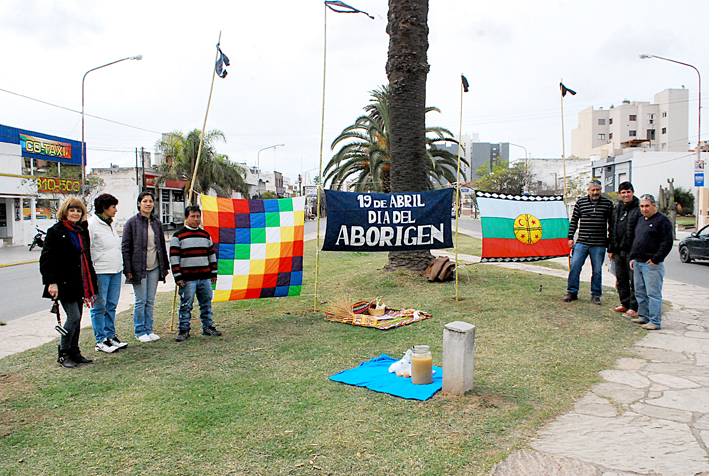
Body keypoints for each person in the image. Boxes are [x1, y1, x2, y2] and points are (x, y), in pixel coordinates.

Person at [40, 196, 98, 368]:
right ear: (64, 211)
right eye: (72, 210)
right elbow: (46, 259)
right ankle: (64, 353)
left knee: (78, 318)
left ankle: (74, 351)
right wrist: (51, 282)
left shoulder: (81, 231)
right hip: (63, 282)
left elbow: (86, 256)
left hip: (80, 282)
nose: (75, 213)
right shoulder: (56, 231)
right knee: (73, 317)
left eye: (78, 210)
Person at [122, 191, 169, 342]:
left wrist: (165, 266)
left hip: (155, 266)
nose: (148, 204)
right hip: (139, 268)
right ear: (139, 204)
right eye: (145, 201)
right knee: (141, 300)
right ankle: (140, 330)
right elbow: (126, 247)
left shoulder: (156, 223)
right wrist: (128, 269)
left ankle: (149, 329)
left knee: (150, 300)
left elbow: (161, 245)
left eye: (150, 201)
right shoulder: (131, 223)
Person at [170, 205, 222, 342]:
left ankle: (208, 326)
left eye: (198, 216)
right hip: (187, 279)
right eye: (192, 216)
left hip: (204, 276)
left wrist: (213, 273)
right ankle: (184, 330)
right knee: (186, 305)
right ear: (186, 218)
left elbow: (211, 255)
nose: (196, 219)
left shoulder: (205, 235)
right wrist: (178, 277)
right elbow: (174, 258)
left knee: (206, 303)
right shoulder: (178, 236)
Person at [88, 193, 129, 353]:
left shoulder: (110, 224)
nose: (116, 210)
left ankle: (111, 335)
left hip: (115, 269)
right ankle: (101, 339)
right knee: (99, 305)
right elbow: (89, 249)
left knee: (111, 304)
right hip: (101, 271)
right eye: (113, 207)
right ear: (104, 208)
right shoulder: (92, 225)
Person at [563, 179, 614, 305]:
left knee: (597, 270)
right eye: (593, 190)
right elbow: (574, 220)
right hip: (582, 242)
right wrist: (570, 238)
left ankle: (596, 295)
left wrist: (610, 243)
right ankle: (572, 292)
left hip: (599, 244)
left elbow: (612, 225)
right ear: (588, 190)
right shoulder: (581, 203)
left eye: (598, 190)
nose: (595, 192)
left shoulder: (608, 204)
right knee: (575, 267)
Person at [629, 194, 673, 330]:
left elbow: (667, 242)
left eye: (647, 206)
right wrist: (632, 257)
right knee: (640, 292)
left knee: (653, 294)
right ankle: (644, 316)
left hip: (651, 265)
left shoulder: (662, 221)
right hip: (638, 262)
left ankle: (655, 322)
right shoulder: (641, 220)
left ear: (654, 205)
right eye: (642, 206)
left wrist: (656, 259)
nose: (644, 209)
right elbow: (637, 240)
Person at [607, 182, 642, 317]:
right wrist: (611, 249)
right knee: (621, 279)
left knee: (634, 281)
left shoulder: (638, 208)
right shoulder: (616, 209)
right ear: (619, 194)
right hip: (618, 250)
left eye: (628, 192)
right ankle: (624, 304)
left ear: (632, 192)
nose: (626, 195)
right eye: (623, 192)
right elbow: (612, 229)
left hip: (632, 251)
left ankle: (634, 307)